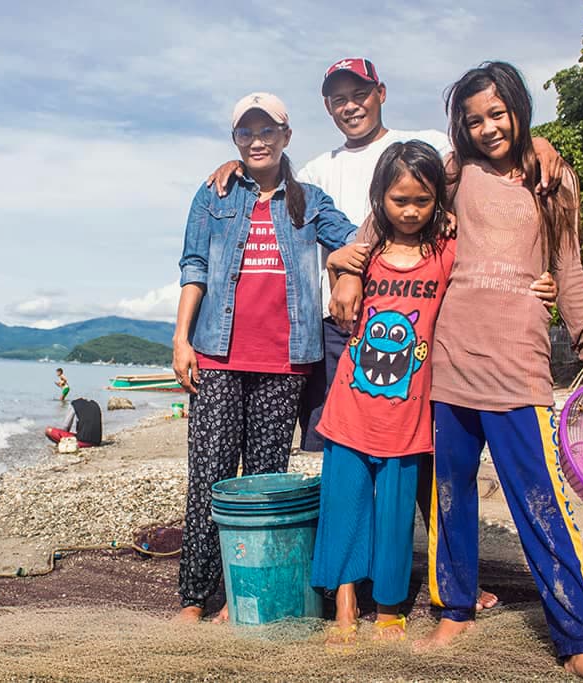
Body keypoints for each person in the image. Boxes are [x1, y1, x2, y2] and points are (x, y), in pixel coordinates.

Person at [209, 56, 564, 616]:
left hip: (422, 317)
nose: (349, 105)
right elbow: (275, 176)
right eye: (337, 97)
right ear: (326, 107)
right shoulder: (320, 168)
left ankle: (449, 575)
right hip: (346, 325)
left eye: (359, 93)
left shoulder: (422, 141)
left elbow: (486, 144)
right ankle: (349, 582)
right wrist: (238, 163)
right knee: (345, 454)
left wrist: (537, 145)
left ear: (380, 92)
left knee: (419, 457)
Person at [362, 61, 583, 682]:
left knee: (540, 502)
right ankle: (454, 611)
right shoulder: (456, 172)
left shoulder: (553, 180)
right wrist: (350, 266)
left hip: (518, 365)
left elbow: (571, 268)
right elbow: (394, 204)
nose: (487, 128)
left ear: (518, 110)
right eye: (473, 118)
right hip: (447, 362)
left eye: (498, 114)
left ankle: (579, 638)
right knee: (448, 499)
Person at [172, 92, 359, 623]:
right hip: (217, 356)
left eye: (267, 131)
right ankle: (193, 596)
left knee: (263, 481)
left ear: (286, 136)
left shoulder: (310, 200)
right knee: (208, 475)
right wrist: (181, 339)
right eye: (245, 133)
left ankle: (241, 594)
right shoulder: (214, 195)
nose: (257, 141)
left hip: (285, 362)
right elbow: (193, 267)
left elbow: (353, 241)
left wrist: (345, 272)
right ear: (236, 140)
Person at [311, 141, 455, 646]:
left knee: (395, 516)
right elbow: (336, 291)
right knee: (345, 506)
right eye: (399, 200)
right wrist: (340, 271)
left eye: (423, 200)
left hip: (410, 416)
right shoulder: (360, 255)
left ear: (438, 198)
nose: (411, 211)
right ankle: (346, 605)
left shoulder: (446, 251)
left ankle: (390, 608)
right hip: (350, 406)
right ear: (380, 199)